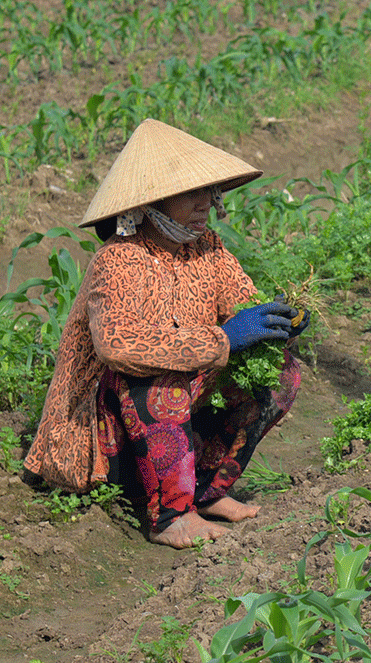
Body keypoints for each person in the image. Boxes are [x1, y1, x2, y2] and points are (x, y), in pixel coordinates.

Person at [23, 118, 306, 548]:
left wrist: (280, 323)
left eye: (208, 193)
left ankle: (206, 491)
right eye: (190, 193)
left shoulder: (207, 248)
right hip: (105, 442)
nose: (205, 204)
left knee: (280, 373)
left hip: (170, 430)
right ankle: (171, 515)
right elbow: (120, 347)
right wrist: (222, 339)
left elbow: (242, 305)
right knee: (158, 375)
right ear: (151, 202)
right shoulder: (119, 260)